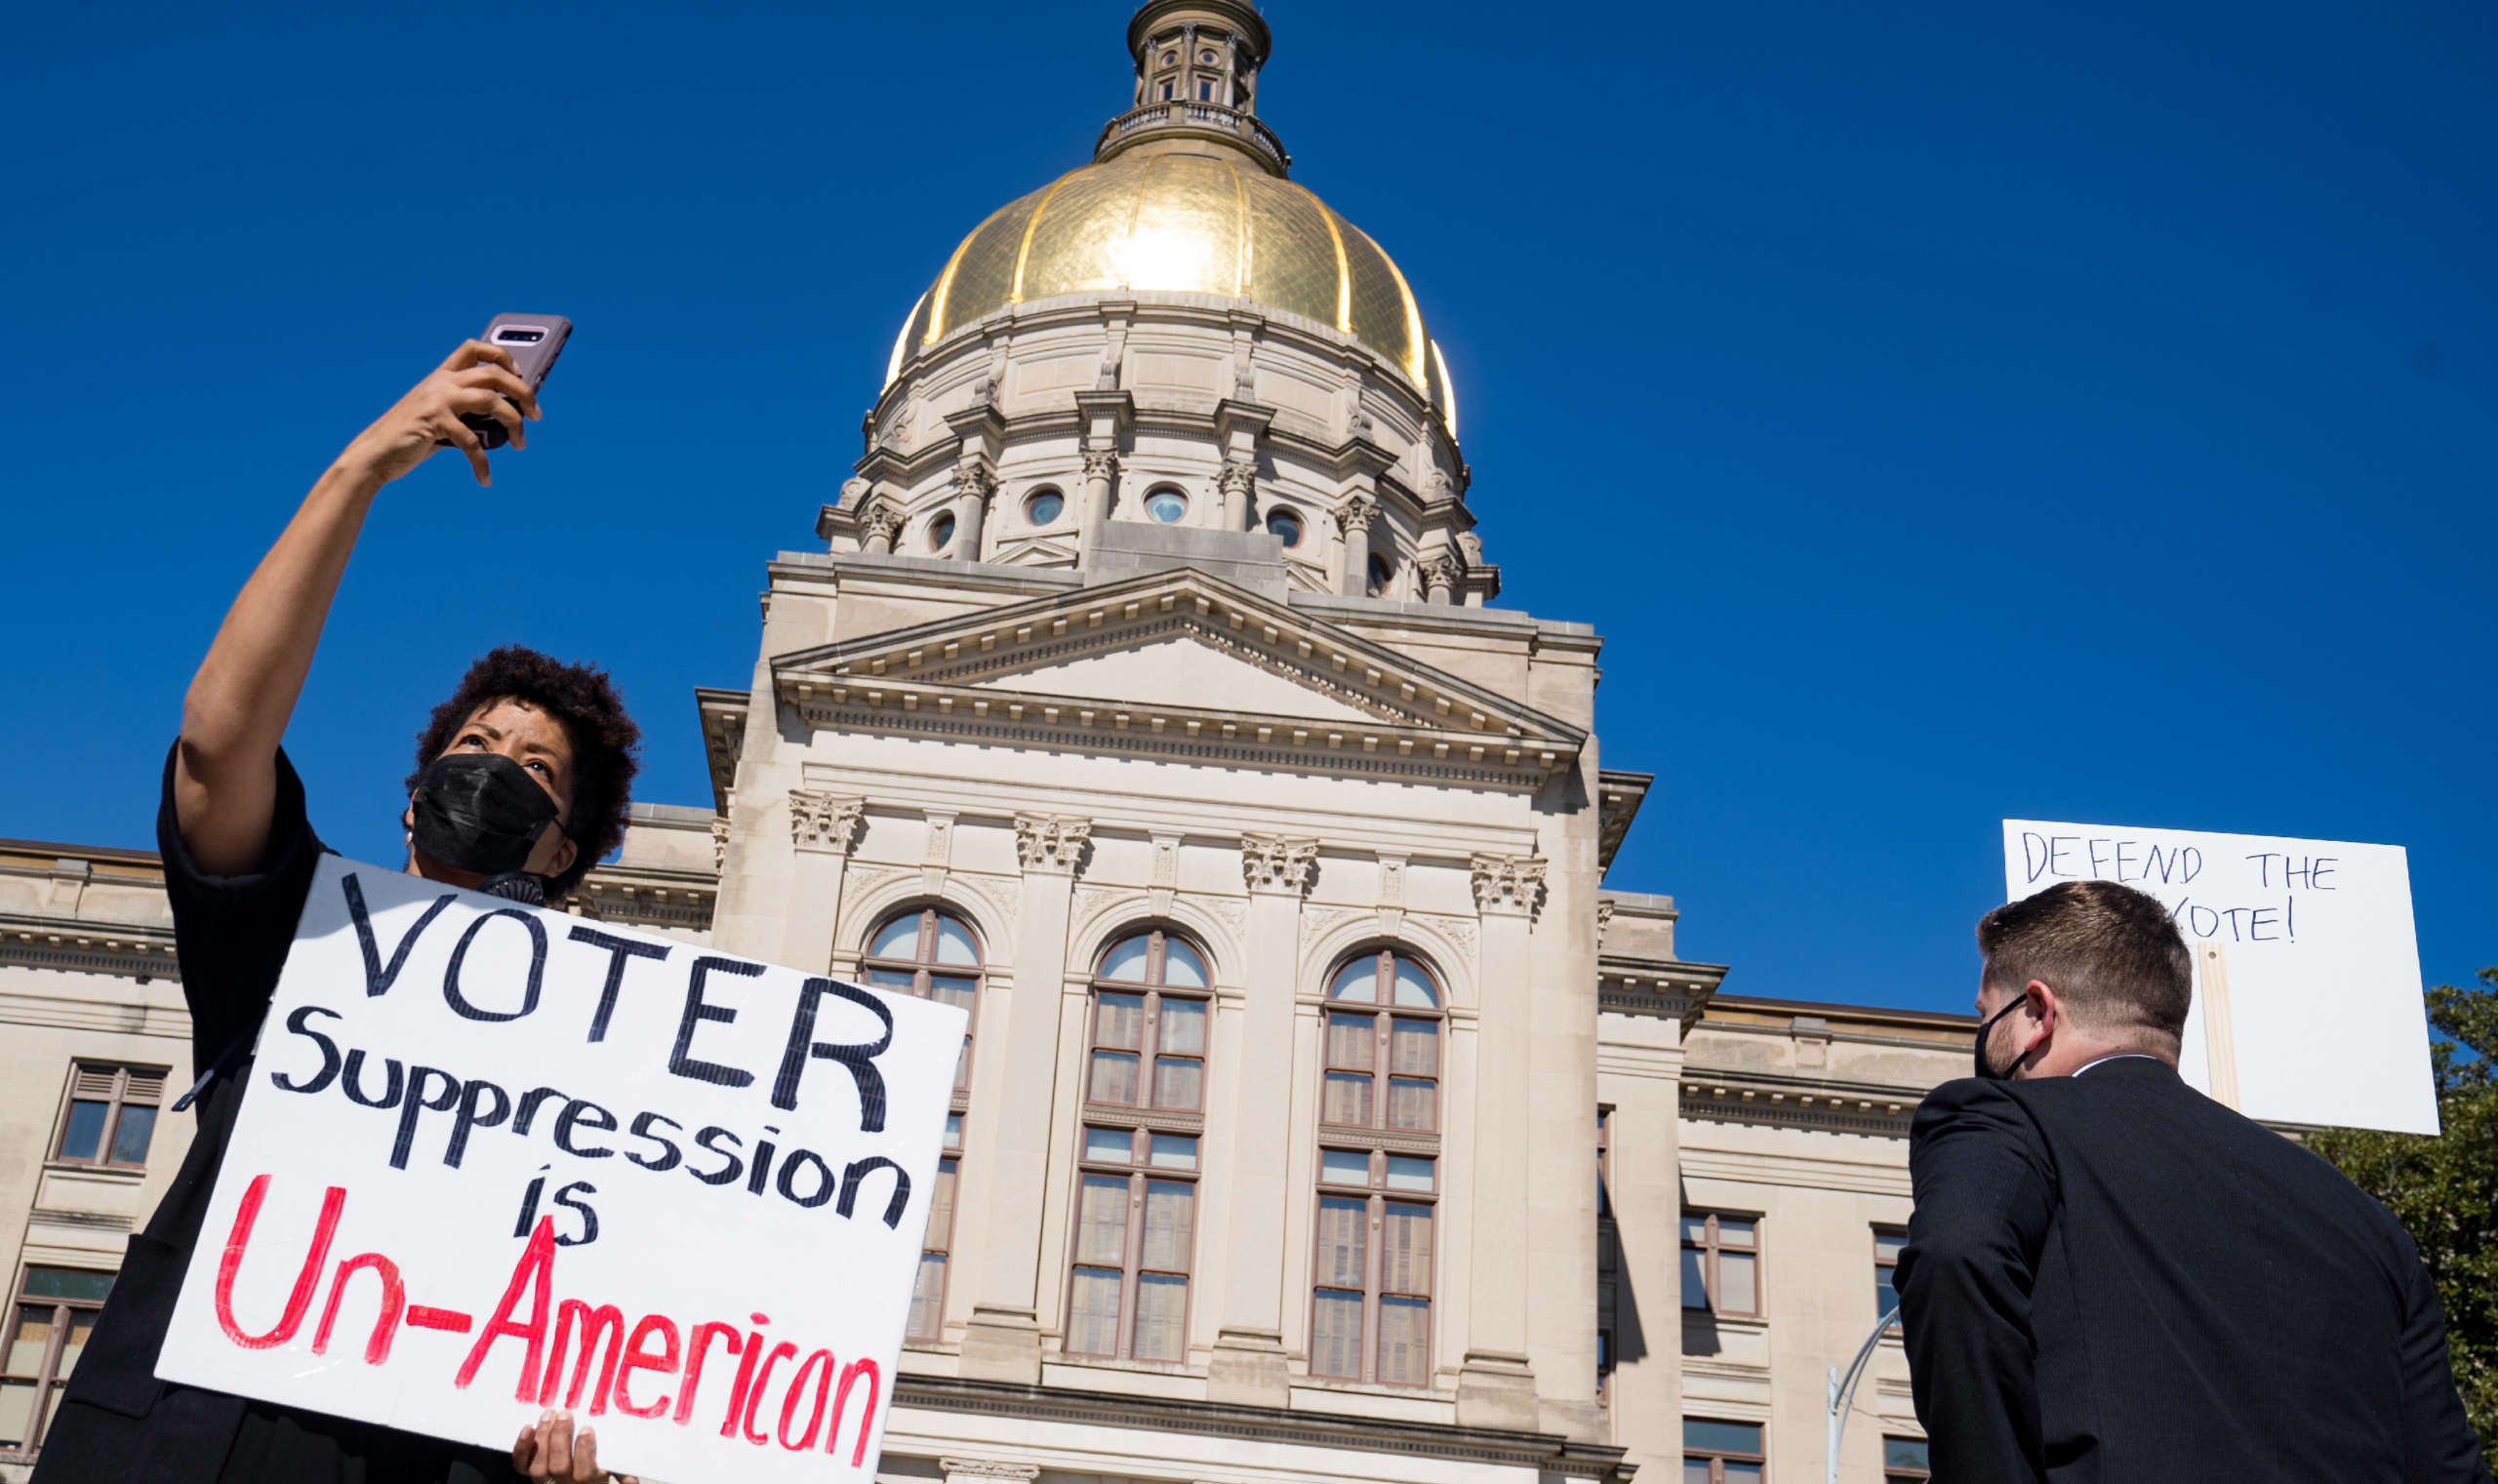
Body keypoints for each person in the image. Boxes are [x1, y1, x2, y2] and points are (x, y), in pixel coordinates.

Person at [34, 342, 649, 1484]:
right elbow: (219, 740)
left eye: (534, 768)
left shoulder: (623, 1067)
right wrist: (368, 462)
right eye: (472, 750)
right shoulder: (302, 940)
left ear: (566, 847)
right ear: (414, 803)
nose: (493, 770)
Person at [1896, 878, 2491, 1482]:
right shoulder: (2365, 1221)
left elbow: (1955, 1255)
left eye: (1983, 1014)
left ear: (2037, 1012)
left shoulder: (2004, 1119)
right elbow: (2447, 1463)